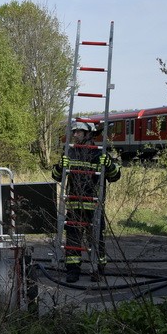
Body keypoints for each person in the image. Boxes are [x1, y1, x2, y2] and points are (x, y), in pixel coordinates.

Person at [51, 121, 122, 283]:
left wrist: (110, 165)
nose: (75, 135)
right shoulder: (69, 152)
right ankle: (73, 271)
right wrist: (61, 166)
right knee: (73, 239)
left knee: (96, 239)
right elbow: (55, 176)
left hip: (94, 205)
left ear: (89, 134)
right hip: (74, 204)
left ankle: (98, 268)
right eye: (74, 132)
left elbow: (115, 177)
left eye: (79, 132)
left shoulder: (99, 153)